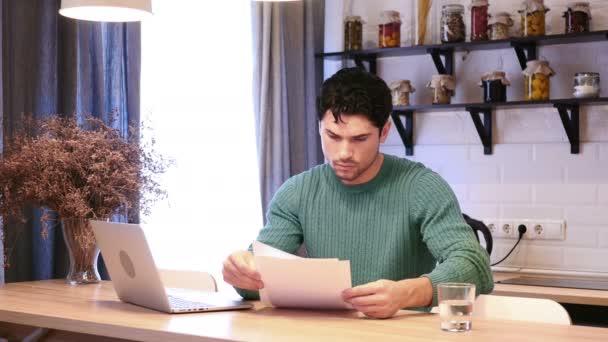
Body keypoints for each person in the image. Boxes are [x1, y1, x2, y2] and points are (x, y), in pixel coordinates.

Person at [222, 67, 493, 318]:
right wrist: (241, 273)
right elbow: (257, 281)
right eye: (332, 136)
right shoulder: (297, 192)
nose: (343, 153)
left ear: (384, 131)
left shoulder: (421, 187)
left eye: (359, 139)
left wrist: (405, 293)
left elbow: (474, 265)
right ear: (319, 127)